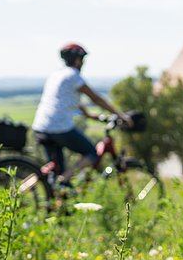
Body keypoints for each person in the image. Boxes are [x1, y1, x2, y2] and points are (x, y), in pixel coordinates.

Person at [32, 43, 132, 183]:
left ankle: (25, 190)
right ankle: (63, 181)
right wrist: (121, 115)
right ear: (78, 60)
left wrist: (90, 115)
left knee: (53, 170)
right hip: (59, 127)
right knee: (92, 153)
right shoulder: (73, 76)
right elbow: (96, 99)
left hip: (41, 126)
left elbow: (67, 100)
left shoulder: (57, 75)